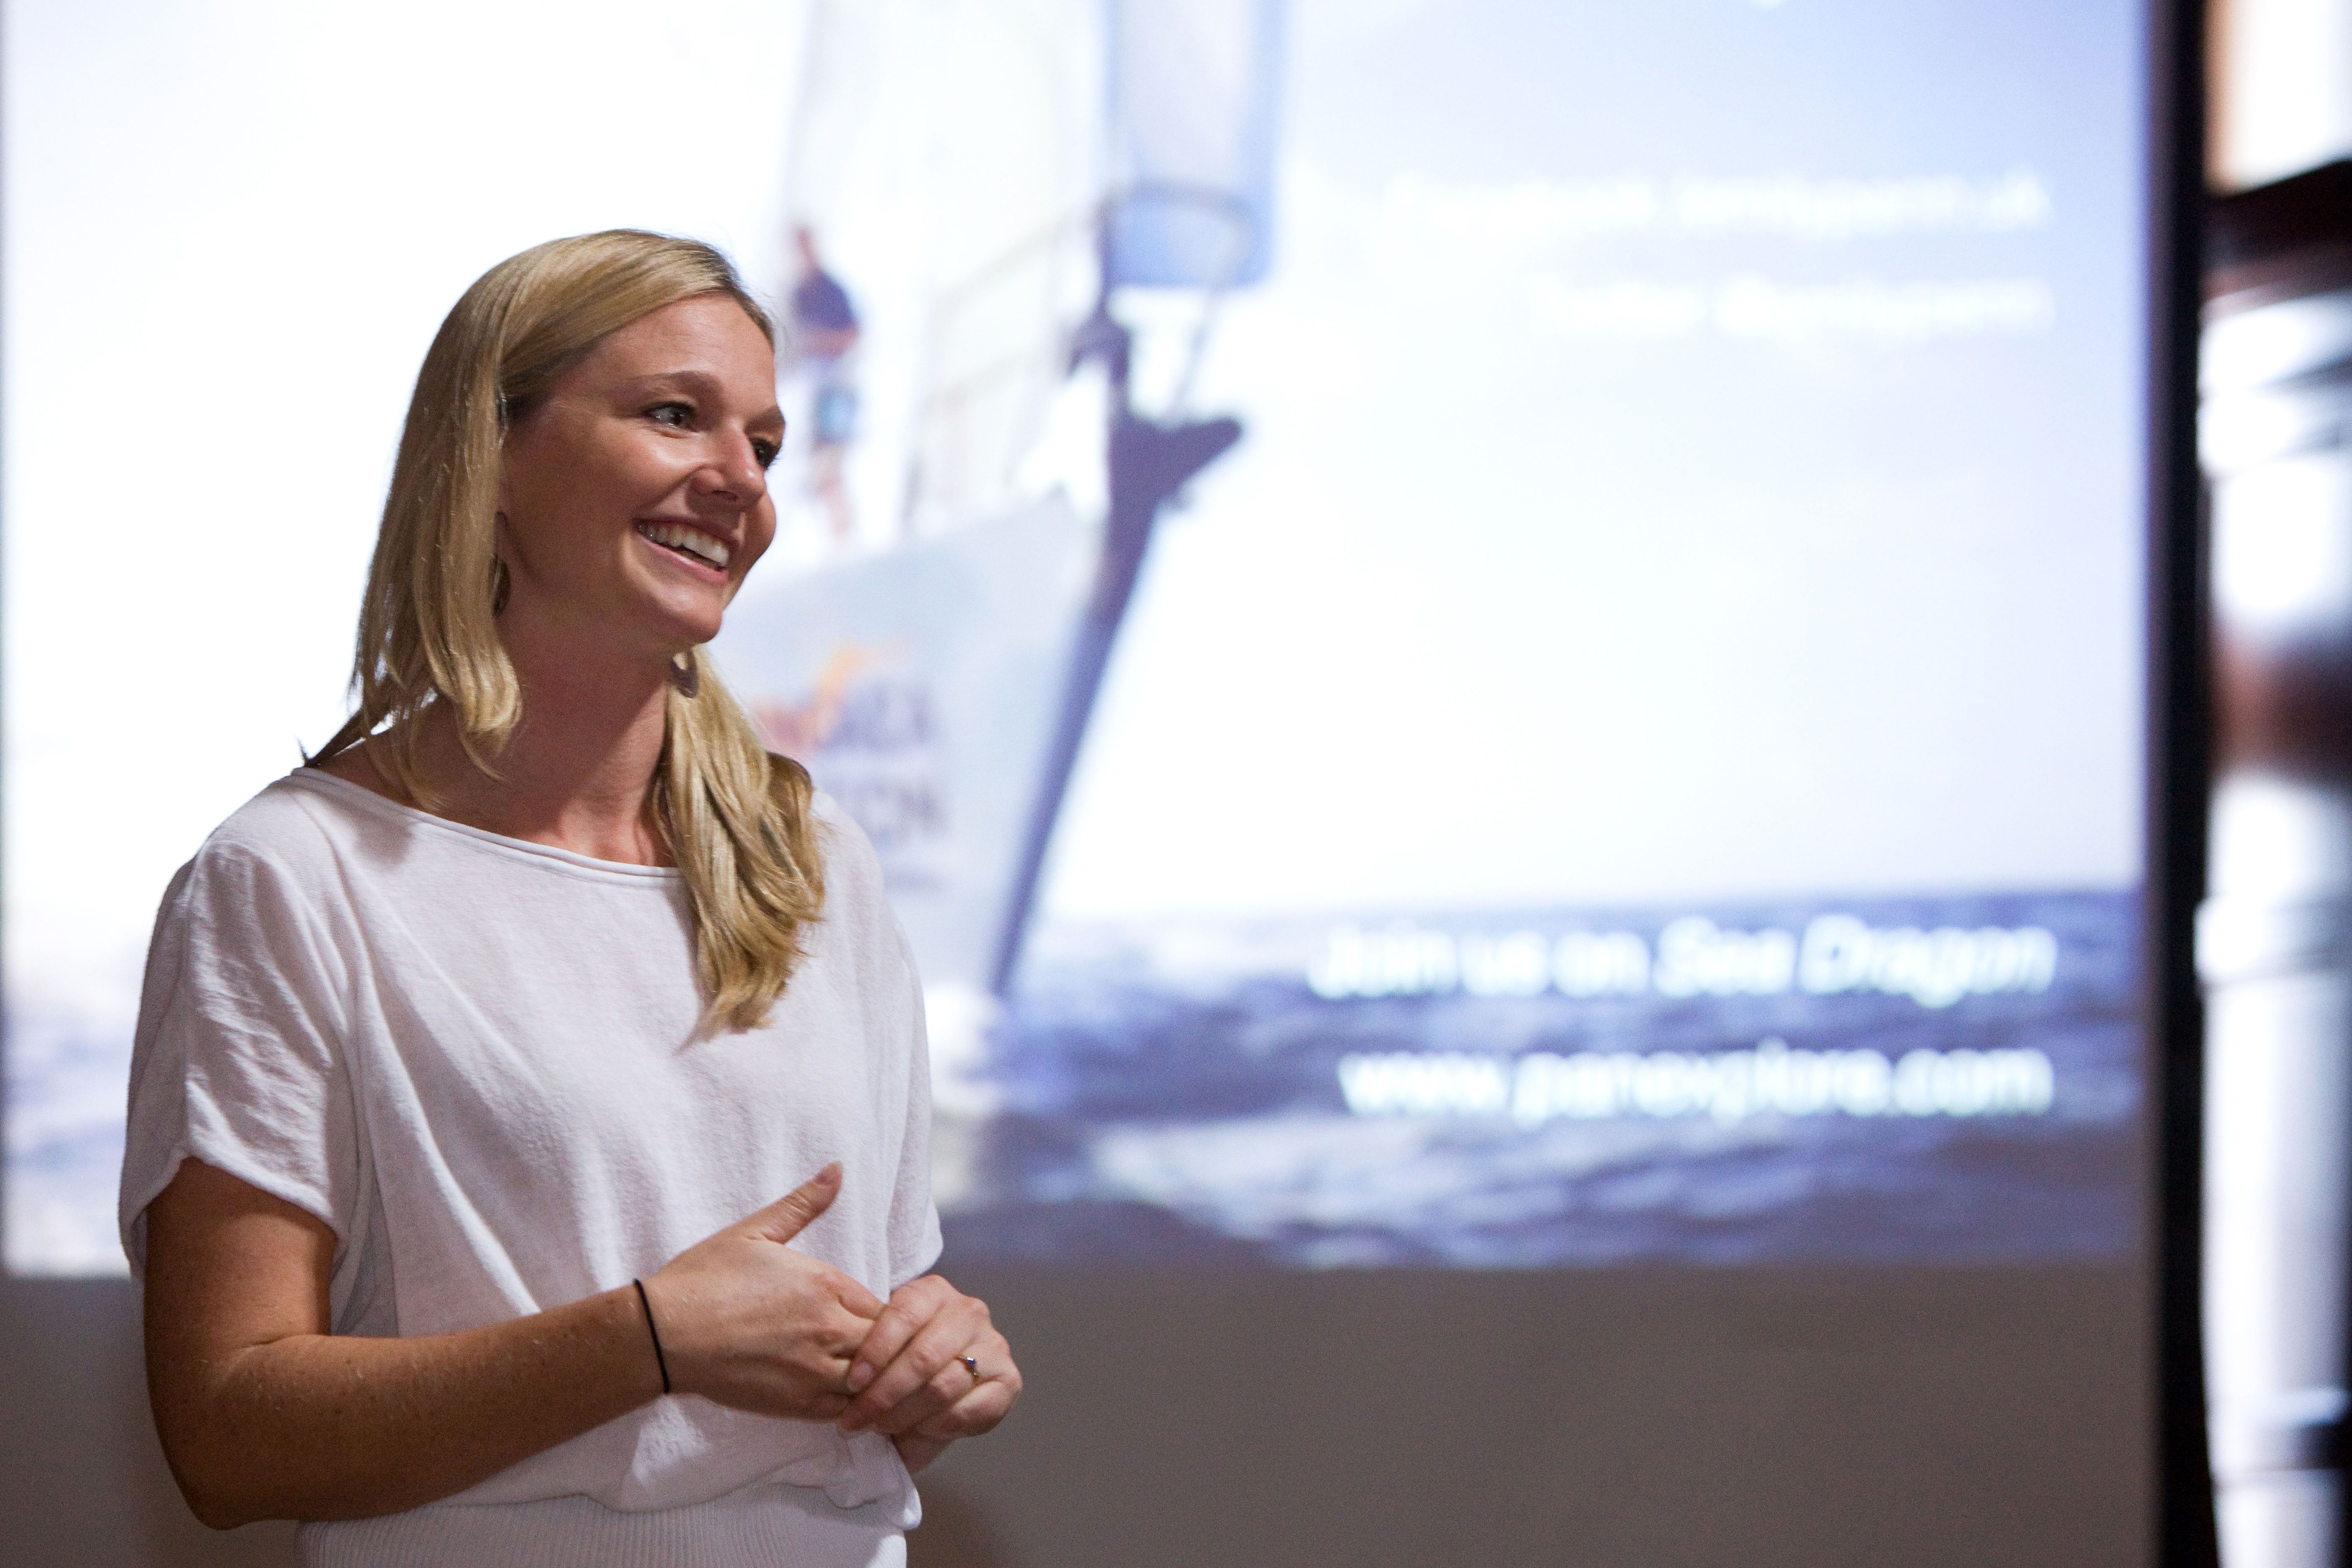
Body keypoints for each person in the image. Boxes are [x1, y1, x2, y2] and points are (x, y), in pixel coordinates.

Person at [119, 230, 1019, 1567]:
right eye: (675, 416)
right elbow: (228, 1434)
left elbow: (866, 1330)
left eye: (765, 445)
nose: (741, 483)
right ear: (489, 462)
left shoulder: (813, 855)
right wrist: (647, 1339)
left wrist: (936, 1354)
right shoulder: (289, 882)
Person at [786, 224, 861, 542]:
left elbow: (853, 335)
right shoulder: (800, 293)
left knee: (830, 464)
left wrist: (818, 344)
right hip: (818, 392)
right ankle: (835, 536)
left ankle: (843, 535)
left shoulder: (831, 289)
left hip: (838, 387)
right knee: (820, 465)